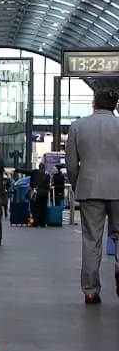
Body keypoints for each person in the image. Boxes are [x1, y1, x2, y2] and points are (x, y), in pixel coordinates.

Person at [65, 89, 119, 304]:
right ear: (115, 106)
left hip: (89, 189)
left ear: (93, 103)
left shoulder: (78, 127)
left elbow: (71, 164)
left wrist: (80, 184)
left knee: (91, 240)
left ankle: (90, 290)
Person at [14, 162, 51, 227]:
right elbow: (48, 185)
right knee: (43, 208)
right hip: (44, 193)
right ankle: (42, 223)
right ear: (44, 168)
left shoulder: (35, 172)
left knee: (34, 208)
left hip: (36, 193)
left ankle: (36, 223)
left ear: (39, 167)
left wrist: (16, 169)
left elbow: (25, 171)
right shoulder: (47, 175)